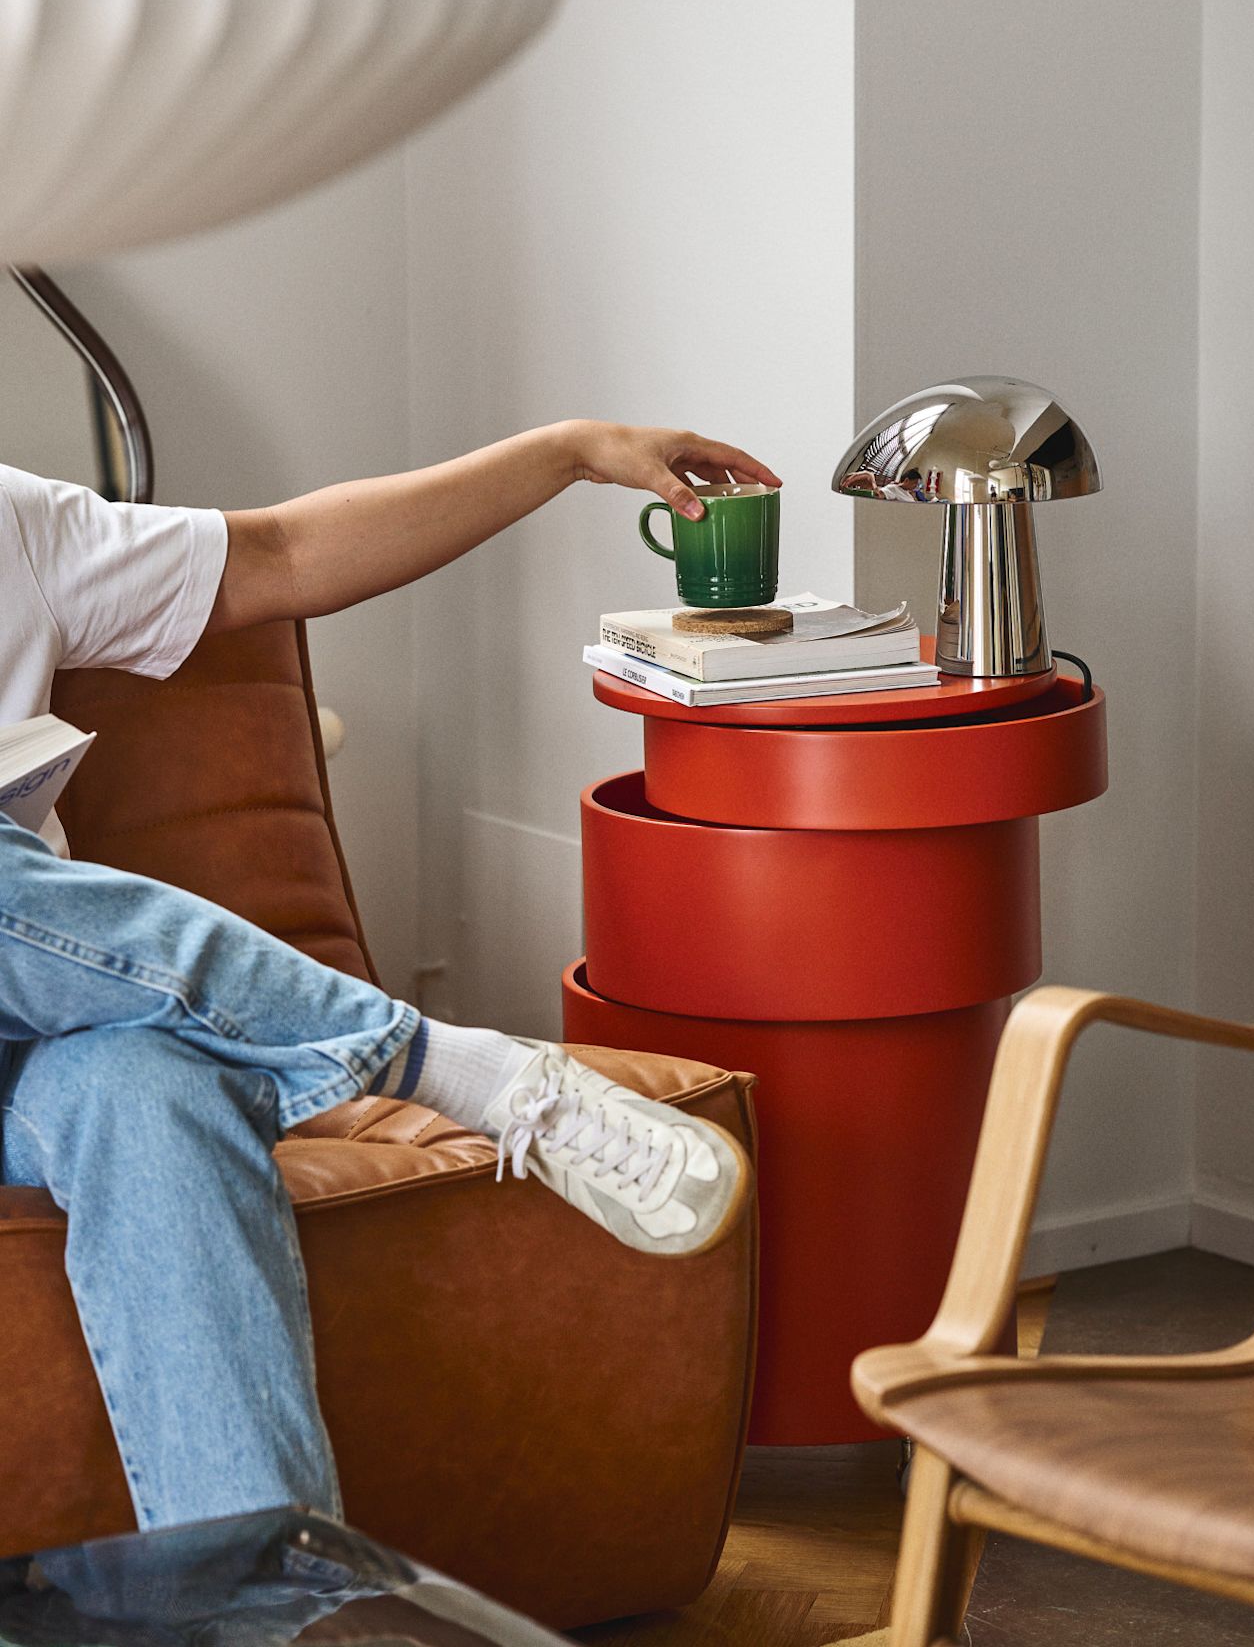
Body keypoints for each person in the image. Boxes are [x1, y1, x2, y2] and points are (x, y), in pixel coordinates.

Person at [0, 417, 781, 1532]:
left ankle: (272, 1597)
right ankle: (449, 1066)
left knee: (152, 1092)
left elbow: (284, 554)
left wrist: (566, 452)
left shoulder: (10, 526)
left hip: (51, 1041)